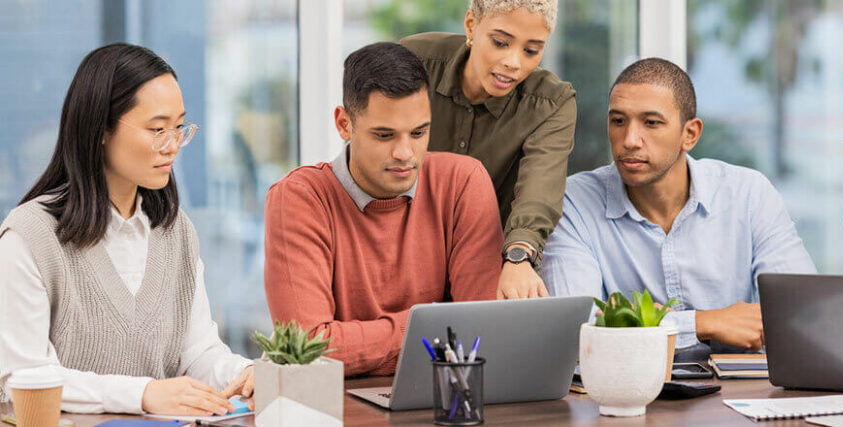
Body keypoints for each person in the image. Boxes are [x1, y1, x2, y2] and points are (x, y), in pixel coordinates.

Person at [0, 43, 253, 415]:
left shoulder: (177, 231)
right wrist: (143, 394)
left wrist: (244, 373)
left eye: (179, 127)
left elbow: (197, 350)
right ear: (101, 129)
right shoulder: (29, 236)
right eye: (157, 129)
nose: (172, 146)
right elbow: (24, 375)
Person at [541, 58, 816, 358]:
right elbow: (578, 333)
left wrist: (641, 322)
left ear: (690, 135)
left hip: (743, 395)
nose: (630, 140)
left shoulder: (748, 194)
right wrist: (705, 322)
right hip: (630, 396)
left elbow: (801, 317)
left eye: (651, 123)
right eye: (618, 121)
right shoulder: (574, 203)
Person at [263, 42, 504, 376]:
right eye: (384, 135)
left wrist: (357, 348)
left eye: (419, 132)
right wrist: (433, 322)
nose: (406, 153)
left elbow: (480, 335)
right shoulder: (299, 198)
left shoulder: (463, 183)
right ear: (344, 124)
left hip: (444, 401)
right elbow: (308, 351)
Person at [400, 0, 576, 300]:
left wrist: (519, 256)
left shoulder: (551, 103)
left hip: (485, 266)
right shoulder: (413, 61)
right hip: (399, 255)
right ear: (471, 25)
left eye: (531, 50)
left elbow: (538, 192)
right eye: (500, 42)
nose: (514, 62)